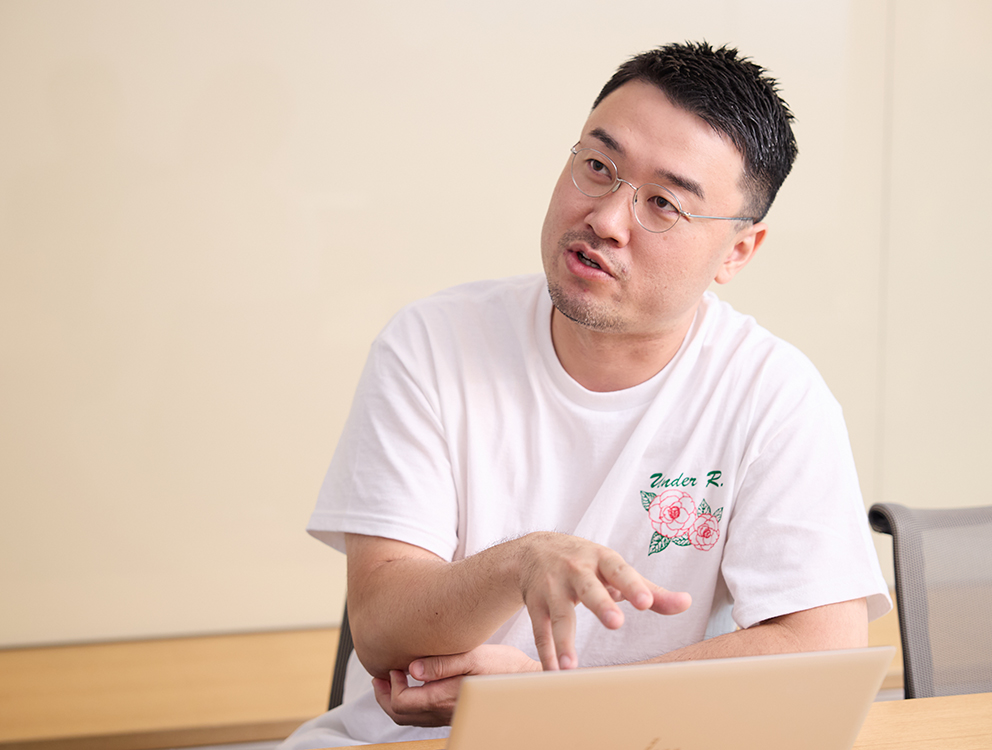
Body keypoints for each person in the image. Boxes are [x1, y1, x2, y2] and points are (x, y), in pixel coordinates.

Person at [279, 41, 890, 749]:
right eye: (597, 168)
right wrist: (521, 561)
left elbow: (824, 647)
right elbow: (382, 627)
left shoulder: (772, 395)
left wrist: (553, 709)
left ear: (737, 252)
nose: (606, 218)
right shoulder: (433, 343)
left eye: (663, 203)